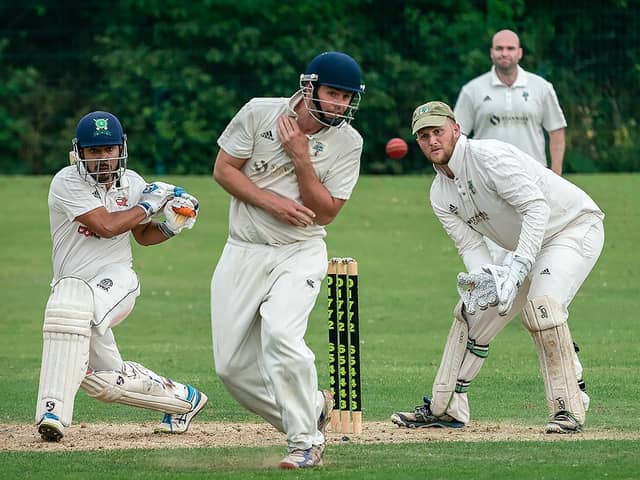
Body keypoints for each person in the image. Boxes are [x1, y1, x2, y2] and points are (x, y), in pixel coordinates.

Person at [390, 101, 604, 434]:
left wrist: (519, 266)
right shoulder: (439, 193)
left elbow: (536, 208)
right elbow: (470, 245)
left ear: (456, 130)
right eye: (424, 135)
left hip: (572, 228)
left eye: (438, 132)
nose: (432, 140)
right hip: (522, 247)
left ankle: (569, 408)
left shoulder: (490, 158)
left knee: (541, 307)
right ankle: (446, 409)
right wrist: (485, 278)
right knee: (471, 311)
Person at [210, 51, 365, 469]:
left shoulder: (349, 142)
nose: (339, 105)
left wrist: (300, 155)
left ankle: (305, 441)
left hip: (300, 252)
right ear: (309, 87)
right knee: (230, 367)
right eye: (333, 94)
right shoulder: (260, 113)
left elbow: (327, 210)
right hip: (243, 249)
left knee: (281, 334)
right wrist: (271, 203)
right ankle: (312, 407)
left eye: (347, 98)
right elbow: (225, 170)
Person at [35, 111, 208, 442]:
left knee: (68, 309)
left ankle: (52, 412)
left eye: (110, 150)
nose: (103, 159)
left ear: (121, 148)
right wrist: (147, 205)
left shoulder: (134, 183)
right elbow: (106, 225)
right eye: (95, 152)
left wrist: (171, 226)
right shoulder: (66, 182)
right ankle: (184, 399)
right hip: (72, 288)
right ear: (79, 153)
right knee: (104, 381)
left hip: (118, 282)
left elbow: (142, 236)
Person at [454, 29, 567, 176]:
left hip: (532, 175)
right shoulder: (472, 90)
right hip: (486, 175)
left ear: (519, 53)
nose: (504, 53)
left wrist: (556, 174)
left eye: (510, 48)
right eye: (499, 48)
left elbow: (556, 131)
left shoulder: (542, 87)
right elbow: (457, 135)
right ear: (491, 52)